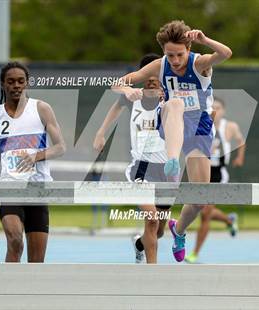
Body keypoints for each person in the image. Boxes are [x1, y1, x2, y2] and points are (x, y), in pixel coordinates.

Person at [112, 20, 232, 262]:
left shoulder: (200, 64)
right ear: (164, 52)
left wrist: (205, 40)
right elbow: (119, 83)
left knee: (200, 198)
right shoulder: (160, 65)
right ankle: (173, 161)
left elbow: (226, 53)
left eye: (179, 55)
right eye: (170, 55)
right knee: (174, 104)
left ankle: (179, 230)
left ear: (188, 48)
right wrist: (127, 91)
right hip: (170, 122)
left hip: (199, 127)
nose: (175, 61)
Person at [0, 61, 66, 262]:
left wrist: (36, 156)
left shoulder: (42, 109)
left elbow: (60, 147)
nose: (16, 85)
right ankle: (6, 290)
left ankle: (30, 293)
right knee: (15, 241)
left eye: (20, 81)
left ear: (27, 83)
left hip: (38, 189)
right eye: (11, 81)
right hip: (9, 188)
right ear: (2, 84)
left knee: (36, 261)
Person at [94, 53, 170, 264]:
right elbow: (115, 91)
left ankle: (139, 243)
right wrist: (101, 132)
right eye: (149, 74)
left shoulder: (169, 96)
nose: (153, 78)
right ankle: (152, 273)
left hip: (165, 169)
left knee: (159, 230)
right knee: (152, 220)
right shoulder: (133, 96)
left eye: (157, 74)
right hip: (141, 167)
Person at [185, 97, 245, 263]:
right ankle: (229, 220)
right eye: (213, 107)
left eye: (219, 108)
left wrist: (240, 156)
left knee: (205, 214)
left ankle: (194, 253)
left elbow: (241, 141)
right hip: (201, 171)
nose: (216, 111)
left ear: (224, 111)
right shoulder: (200, 124)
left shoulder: (230, 127)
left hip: (218, 174)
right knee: (203, 210)